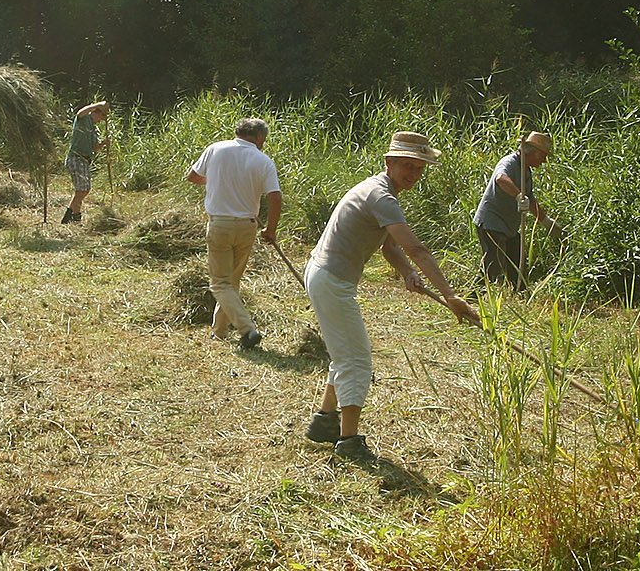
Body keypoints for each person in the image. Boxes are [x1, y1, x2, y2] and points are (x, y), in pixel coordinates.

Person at [302, 132, 479, 462]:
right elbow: (416, 248)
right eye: (407, 167)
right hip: (331, 279)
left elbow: (391, 247)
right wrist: (451, 295)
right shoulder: (382, 196)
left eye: (418, 169)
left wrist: (408, 272)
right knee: (356, 360)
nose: (412, 174)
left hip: (326, 274)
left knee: (345, 353)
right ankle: (349, 441)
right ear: (389, 163)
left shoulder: (379, 189)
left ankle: (325, 422)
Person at [186, 117, 282, 350]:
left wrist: (217, 181)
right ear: (259, 138)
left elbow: (193, 176)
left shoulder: (215, 149)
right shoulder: (263, 160)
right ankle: (218, 332)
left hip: (220, 225)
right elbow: (275, 197)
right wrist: (270, 229)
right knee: (231, 282)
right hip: (248, 226)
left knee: (220, 284)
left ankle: (247, 329)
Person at [473, 131, 556, 290]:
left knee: (517, 262)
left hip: (508, 226)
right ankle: (471, 298)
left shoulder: (526, 170)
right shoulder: (510, 162)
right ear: (532, 152)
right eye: (543, 155)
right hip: (491, 222)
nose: (544, 161)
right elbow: (501, 179)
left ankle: (521, 294)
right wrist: (518, 196)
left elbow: (530, 199)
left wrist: (546, 222)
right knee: (493, 266)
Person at [62, 100, 109, 224]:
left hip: (84, 160)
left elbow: (94, 148)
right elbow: (80, 113)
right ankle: (69, 217)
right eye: (102, 116)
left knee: (82, 190)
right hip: (76, 158)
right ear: (96, 112)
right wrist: (98, 105)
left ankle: (74, 217)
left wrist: (103, 144)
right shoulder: (84, 119)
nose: (101, 120)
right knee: (83, 190)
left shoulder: (94, 129)